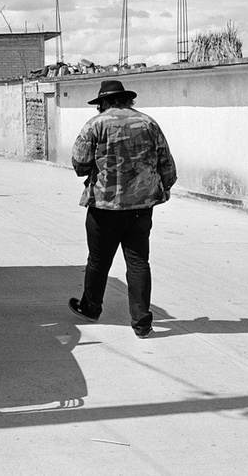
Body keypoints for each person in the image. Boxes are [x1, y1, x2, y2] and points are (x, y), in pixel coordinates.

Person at [68, 79, 176, 338]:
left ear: (104, 102)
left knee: (98, 260)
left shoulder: (96, 125)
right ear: (127, 100)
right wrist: (165, 187)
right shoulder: (149, 123)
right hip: (141, 207)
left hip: (105, 206)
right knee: (138, 263)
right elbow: (166, 163)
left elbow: (79, 164)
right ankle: (141, 323)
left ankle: (91, 307)